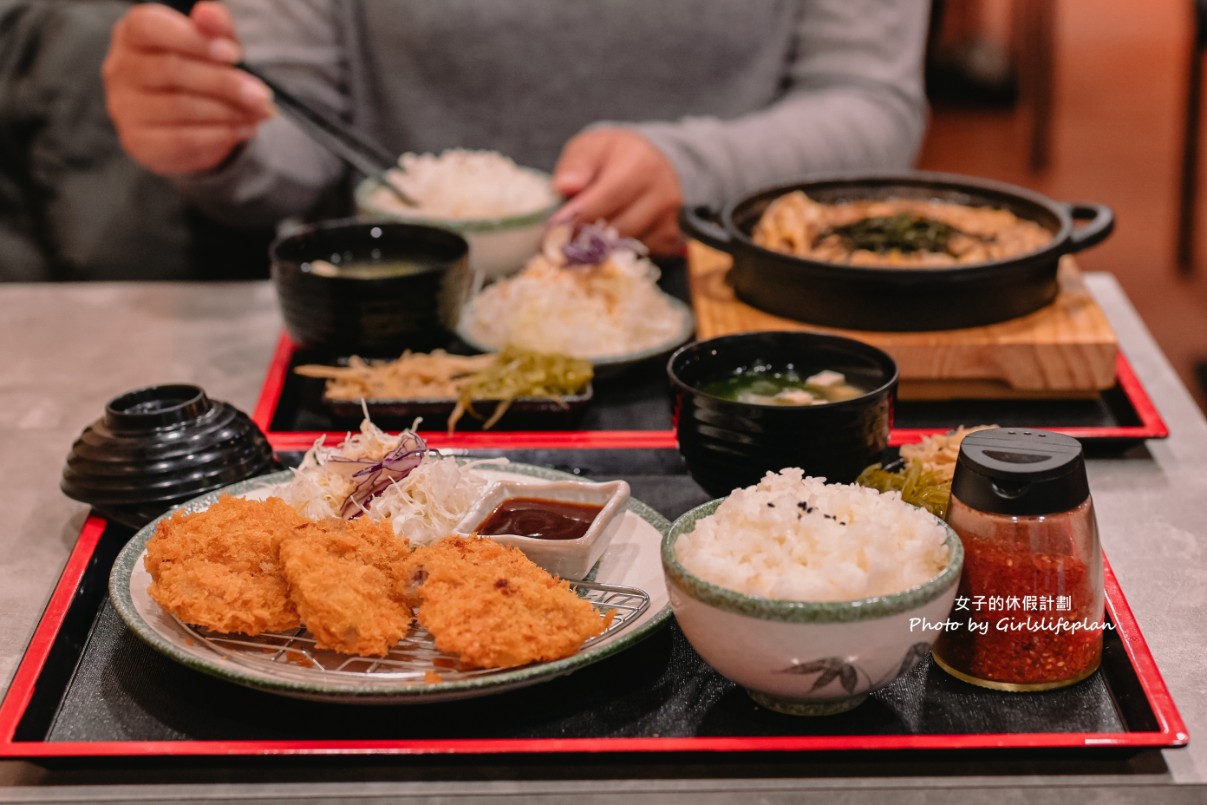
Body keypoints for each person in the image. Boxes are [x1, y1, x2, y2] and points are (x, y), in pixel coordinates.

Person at [102, 0, 931, 257]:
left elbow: (871, 104)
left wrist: (696, 168)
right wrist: (214, 132)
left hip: (728, 305)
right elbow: (286, 142)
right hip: (401, 320)